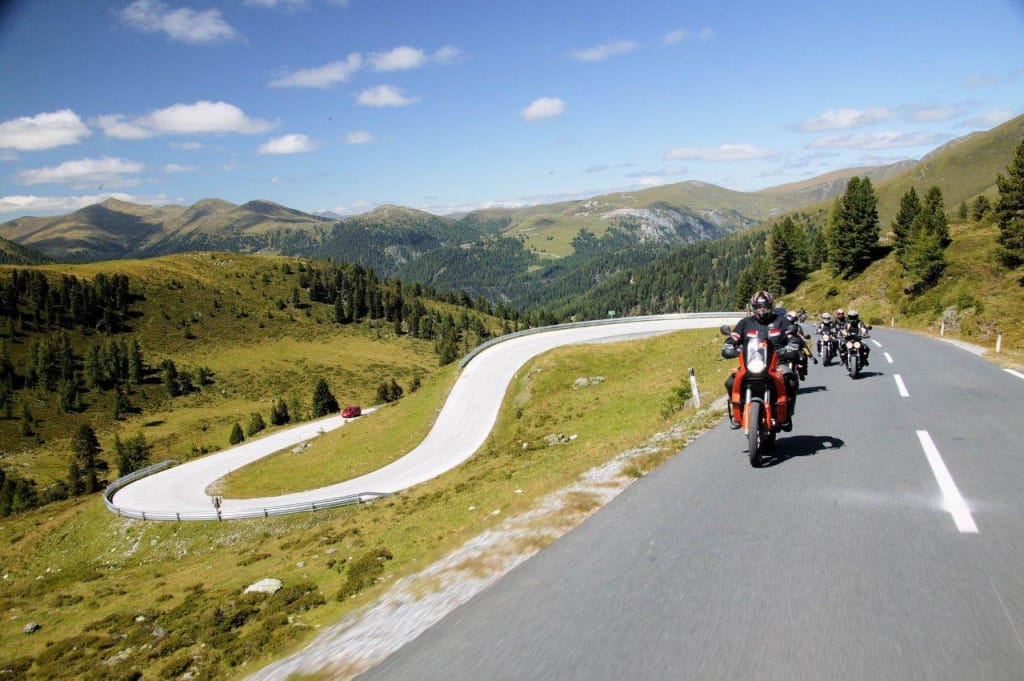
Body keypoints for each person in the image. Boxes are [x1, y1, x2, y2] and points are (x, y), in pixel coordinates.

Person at [721, 290, 801, 430]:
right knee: (730, 382)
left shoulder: (781, 321)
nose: (762, 309)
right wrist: (729, 346)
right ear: (754, 307)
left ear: (771, 305)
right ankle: (736, 414)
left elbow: (792, 336)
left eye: (765, 306)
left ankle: (787, 415)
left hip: (777, 362)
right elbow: (733, 337)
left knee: (792, 381)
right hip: (751, 363)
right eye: (758, 306)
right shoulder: (745, 323)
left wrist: (793, 345)